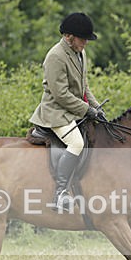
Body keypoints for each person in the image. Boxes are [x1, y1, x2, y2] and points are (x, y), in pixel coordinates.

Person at [29, 12, 103, 211]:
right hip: (56, 112)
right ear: (69, 36)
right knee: (77, 143)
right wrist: (87, 109)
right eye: (83, 38)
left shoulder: (80, 52)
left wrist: (96, 107)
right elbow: (60, 94)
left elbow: (83, 85)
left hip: (74, 110)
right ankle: (60, 193)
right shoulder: (55, 56)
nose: (86, 42)